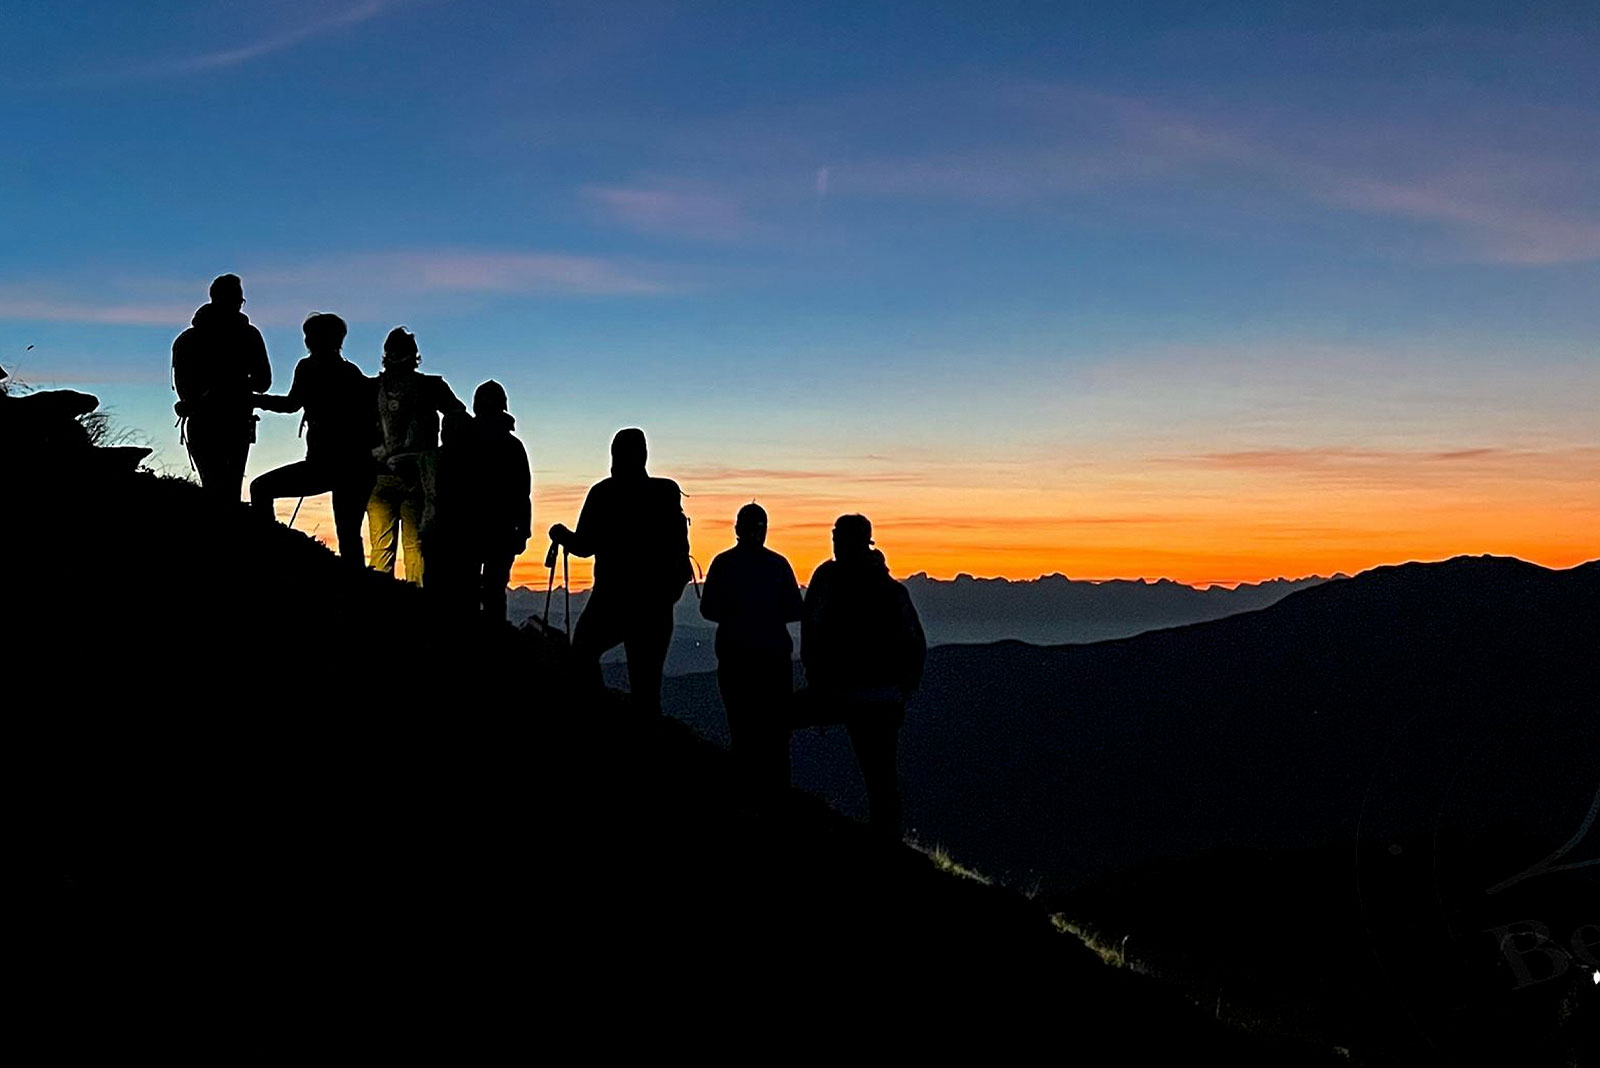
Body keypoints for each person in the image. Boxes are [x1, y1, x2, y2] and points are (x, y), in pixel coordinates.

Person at [548, 428, 691, 715]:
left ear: (614, 455)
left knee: (583, 653)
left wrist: (561, 534)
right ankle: (644, 743)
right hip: (656, 604)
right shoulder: (665, 493)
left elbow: (585, 546)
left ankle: (598, 716)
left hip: (611, 599)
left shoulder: (603, 493)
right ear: (644, 455)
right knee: (647, 689)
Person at [801, 514, 926, 836]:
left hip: (839, 692)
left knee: (770, 725)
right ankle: (889, 844)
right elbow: (916, 644)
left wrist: (817, 679)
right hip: (884, 696)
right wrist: (903, 689)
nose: (833, 542)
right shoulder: (890, 589)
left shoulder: (827, 578)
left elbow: (811, 631)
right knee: (882, 775)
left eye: (836, 536)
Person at [249, 313, 377, 561]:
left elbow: (291, 404)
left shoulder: (308, 367)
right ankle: (360, 590)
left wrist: (254, 400)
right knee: (349, 533)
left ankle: (267, 552)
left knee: (260, 488)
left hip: (325, 463)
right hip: (358, 465)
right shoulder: (352, 372)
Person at [699, 503, 803, 794]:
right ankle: (778, 795)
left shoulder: (722, 564)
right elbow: (795, 609)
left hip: (735, 659)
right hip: (773, 661)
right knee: (777, 733)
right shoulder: (779, 565)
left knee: (741, 728)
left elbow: (708, 609)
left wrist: (736, 613)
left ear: (737, 530)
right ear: (764, 530)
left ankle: (746, 794)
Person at [418, 383, 531, 620]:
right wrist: (523, 532)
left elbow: (446, 489)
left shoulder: (459, 444)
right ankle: (494, 643)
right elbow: (522, 495)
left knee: (465, 592)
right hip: (501, 533)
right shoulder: (513, 447)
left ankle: (467, 644)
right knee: (494, 593)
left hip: (464, 532)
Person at [367, 327, 465, 584]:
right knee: (417, 552)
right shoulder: (432, 386)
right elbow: (459, 417)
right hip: (419, 476)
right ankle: (418, 614)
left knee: (381, 552)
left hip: (379, 477)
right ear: (415, 356)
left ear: (386, 355)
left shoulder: (371, 388)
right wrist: (443, 454)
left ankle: (375, 610)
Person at [171, 274, 271, 502]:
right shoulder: (249, 335)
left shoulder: (186, 339)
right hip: (235, 421)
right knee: (229, 490)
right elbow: (263, 383)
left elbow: (182, 388)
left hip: (202, 421)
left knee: (212, 488)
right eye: (239, 299)